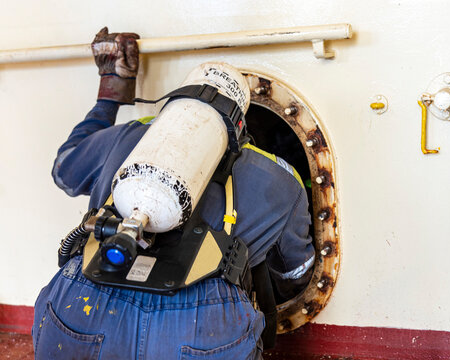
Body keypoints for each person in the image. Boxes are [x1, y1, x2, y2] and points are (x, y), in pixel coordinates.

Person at [32, 27, 315, 359]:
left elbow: (64, 171)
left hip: (86, 296)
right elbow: (295, 274)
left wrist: (108, 96)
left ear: (174, 105)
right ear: (241, 125)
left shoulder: (126, 137)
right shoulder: (281, 178)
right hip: (202, 323)